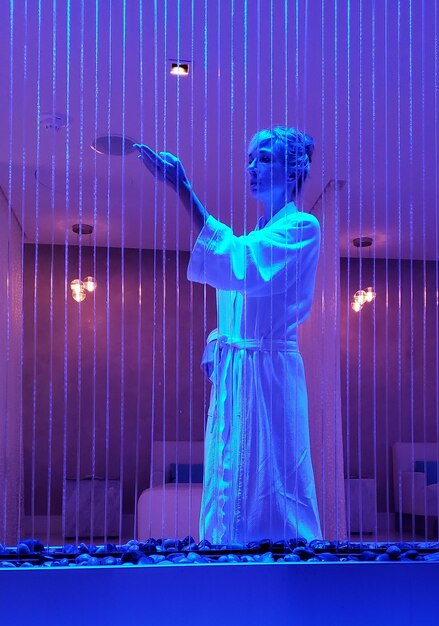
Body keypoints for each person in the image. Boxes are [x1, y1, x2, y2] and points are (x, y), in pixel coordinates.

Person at [134, 126, 322, 544]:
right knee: (229, 470)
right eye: (250, 159)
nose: (253, 167)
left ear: (294, 172)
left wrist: (184, 190)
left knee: (271, 476)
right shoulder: (256, 235)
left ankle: (284, 567)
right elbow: (239, 287)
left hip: (269, 377)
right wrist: (219, 339)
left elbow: (242, 266)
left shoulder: (303, 229)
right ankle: (226, 558)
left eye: (266, 158)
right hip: (238, 374)